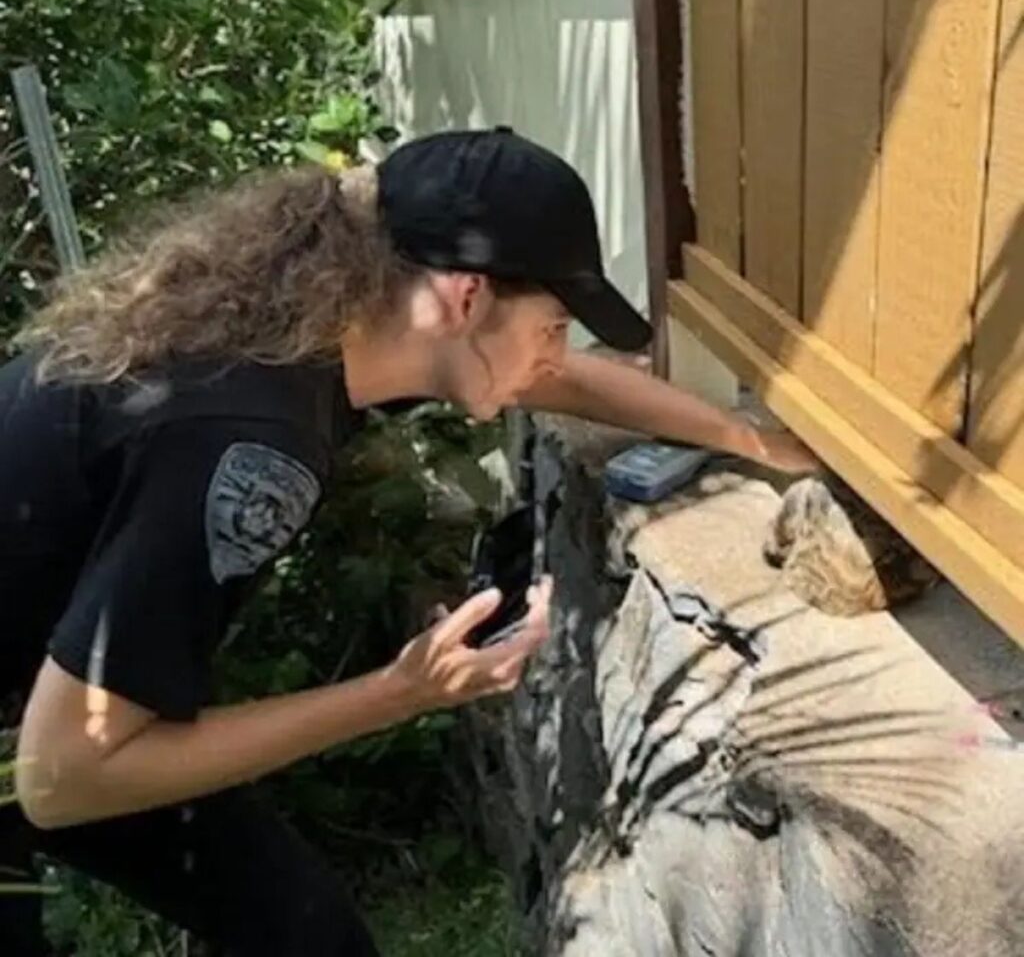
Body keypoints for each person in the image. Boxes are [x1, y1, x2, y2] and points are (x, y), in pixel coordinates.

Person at [0, 127, 817, 955]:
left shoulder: (319, 333)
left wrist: (746, 438)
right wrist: (401, 691)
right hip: (56, 753)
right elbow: (62, 779)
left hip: (51, 722)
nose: (558, 351)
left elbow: (551, 376)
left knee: (308, 936)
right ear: (464, 300)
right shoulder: (247, 444)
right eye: (557, 321)